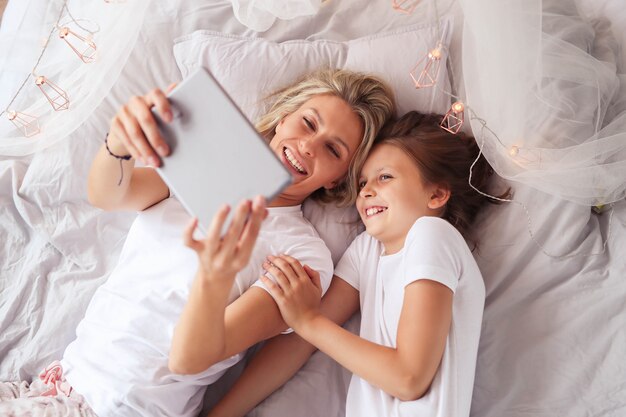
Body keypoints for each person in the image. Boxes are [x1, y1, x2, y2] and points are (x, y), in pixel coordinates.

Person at [0, 69, 394, 417]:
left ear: (338, 179)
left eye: (332, 149)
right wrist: (118, 143)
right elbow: (110, 196)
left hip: (124, 405)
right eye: (308, 123)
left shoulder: (304, 256)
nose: (309, 145)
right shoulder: (203, 170)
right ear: (283, 118)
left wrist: (214, 275)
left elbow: (194, 358)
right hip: (59, 381)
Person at [207, 111, 510, 417]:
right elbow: (298, 343)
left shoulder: (433, 234)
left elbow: (408, 379)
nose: (365, 191)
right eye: (363, 181)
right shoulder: (368, 250)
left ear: (436, 194)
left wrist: (309, 321)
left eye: (385, 177)